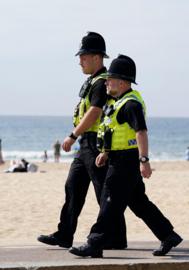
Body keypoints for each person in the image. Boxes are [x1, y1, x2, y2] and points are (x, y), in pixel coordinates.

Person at [69, 54, 182, 258]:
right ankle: (168, 235)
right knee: (139, 203)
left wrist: (144, 161)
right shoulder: (118, 102)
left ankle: (94, 243)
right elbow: (114, 132)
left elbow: (141, 132)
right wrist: (105, 153)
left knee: (108, 201)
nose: (106, 81)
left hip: (126, 162)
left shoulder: (131, 105)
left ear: (121, 82)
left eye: (110, 78)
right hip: (118, 159)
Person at [38, 32, 127, 250]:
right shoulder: (93, 81)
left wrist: (73, 135)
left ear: (97, 57)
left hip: (95, 144)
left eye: (84, 56)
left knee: (103, 193)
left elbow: (95, 112)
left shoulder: (101, 82)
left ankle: (116, 237)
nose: (80, 61)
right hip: (85, 146)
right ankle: (64, 234)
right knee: (73, 187)